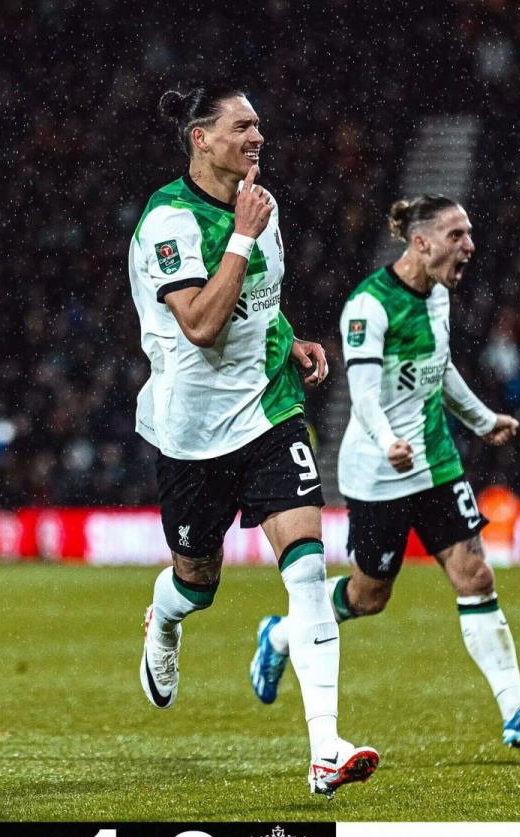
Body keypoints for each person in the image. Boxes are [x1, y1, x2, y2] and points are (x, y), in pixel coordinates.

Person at [251, 195, 520, 749]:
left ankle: (516, 708)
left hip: (437, 461)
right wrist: (388, 443)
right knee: (370, 596)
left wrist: (481, 420)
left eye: (469, 233)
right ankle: (280, 635)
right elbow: (363, 394)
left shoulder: (439, 296)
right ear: (420, 243)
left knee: (476, 575)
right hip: (378, 472)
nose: (469, 246)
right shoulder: (369, 306)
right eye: (456, 236)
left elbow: (439, 369)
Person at [128, 83, 378, 798]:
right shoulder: (169, 221)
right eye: (242, 127)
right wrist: (240, 233)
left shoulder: (259, 206)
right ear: (201, 138)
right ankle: (164, 618)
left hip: (269, 411)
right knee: (196, 583)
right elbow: (201, 326)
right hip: (192, 431)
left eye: (259, 126)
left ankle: (325, 748)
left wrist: (289, 339)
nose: (257, 137)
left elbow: (258, 303)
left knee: (307, 567)